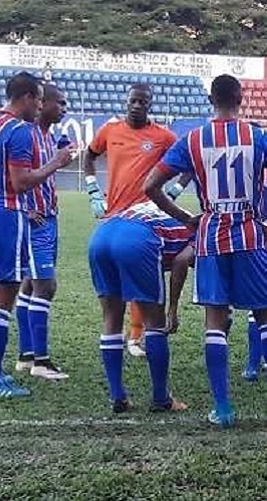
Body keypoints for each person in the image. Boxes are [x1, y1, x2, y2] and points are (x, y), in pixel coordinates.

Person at [143, 74, 267, 427]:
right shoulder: (258, 137)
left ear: (211, 100)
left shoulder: (194, 140)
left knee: (215, 322)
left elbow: (151, 185)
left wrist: (187, 218)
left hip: (212, 235)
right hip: (250, 233)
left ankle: (223, 409)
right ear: (241, 98)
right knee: (266, 316)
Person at [0, 72, 72, 398]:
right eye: (38, 99)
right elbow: (21, 182)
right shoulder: (19, 131)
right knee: (1, 301)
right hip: (5, 217)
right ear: (25, 97)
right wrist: (56, 163)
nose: (40, 106)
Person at [81, 84, 178, 357]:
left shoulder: (163, 136)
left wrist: (173, 191)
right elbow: (89, 155)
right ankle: (124, 334)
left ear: (150, 105)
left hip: (145, 217)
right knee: (114, 283)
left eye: (142, 102)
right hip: (113, 213)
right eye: (133, 101)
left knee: (143, 275)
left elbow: (187, 163)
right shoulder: (110, 130)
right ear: (126, 102)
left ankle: (137, 336)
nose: (137, 106)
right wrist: (92, 189)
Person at [88, 201, 191, 413]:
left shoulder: (177, 214)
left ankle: (118, 396)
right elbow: (181, 261)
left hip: (102, 234)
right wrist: (172, 309)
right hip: (137, 239)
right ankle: (161, 398)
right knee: (155, 323)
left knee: (111, 318)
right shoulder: (203, 231)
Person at [14, 83, 70, 381]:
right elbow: (16, 175)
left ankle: (26, 355)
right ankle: (41, 361)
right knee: (46, 286)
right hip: (35, 221)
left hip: (48, 218)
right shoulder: (27, 134)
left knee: (30, 286)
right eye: (59, 103)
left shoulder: (48, 137)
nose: (64, 108)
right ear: (42, 103)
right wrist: (26, 208)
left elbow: (43, 173)